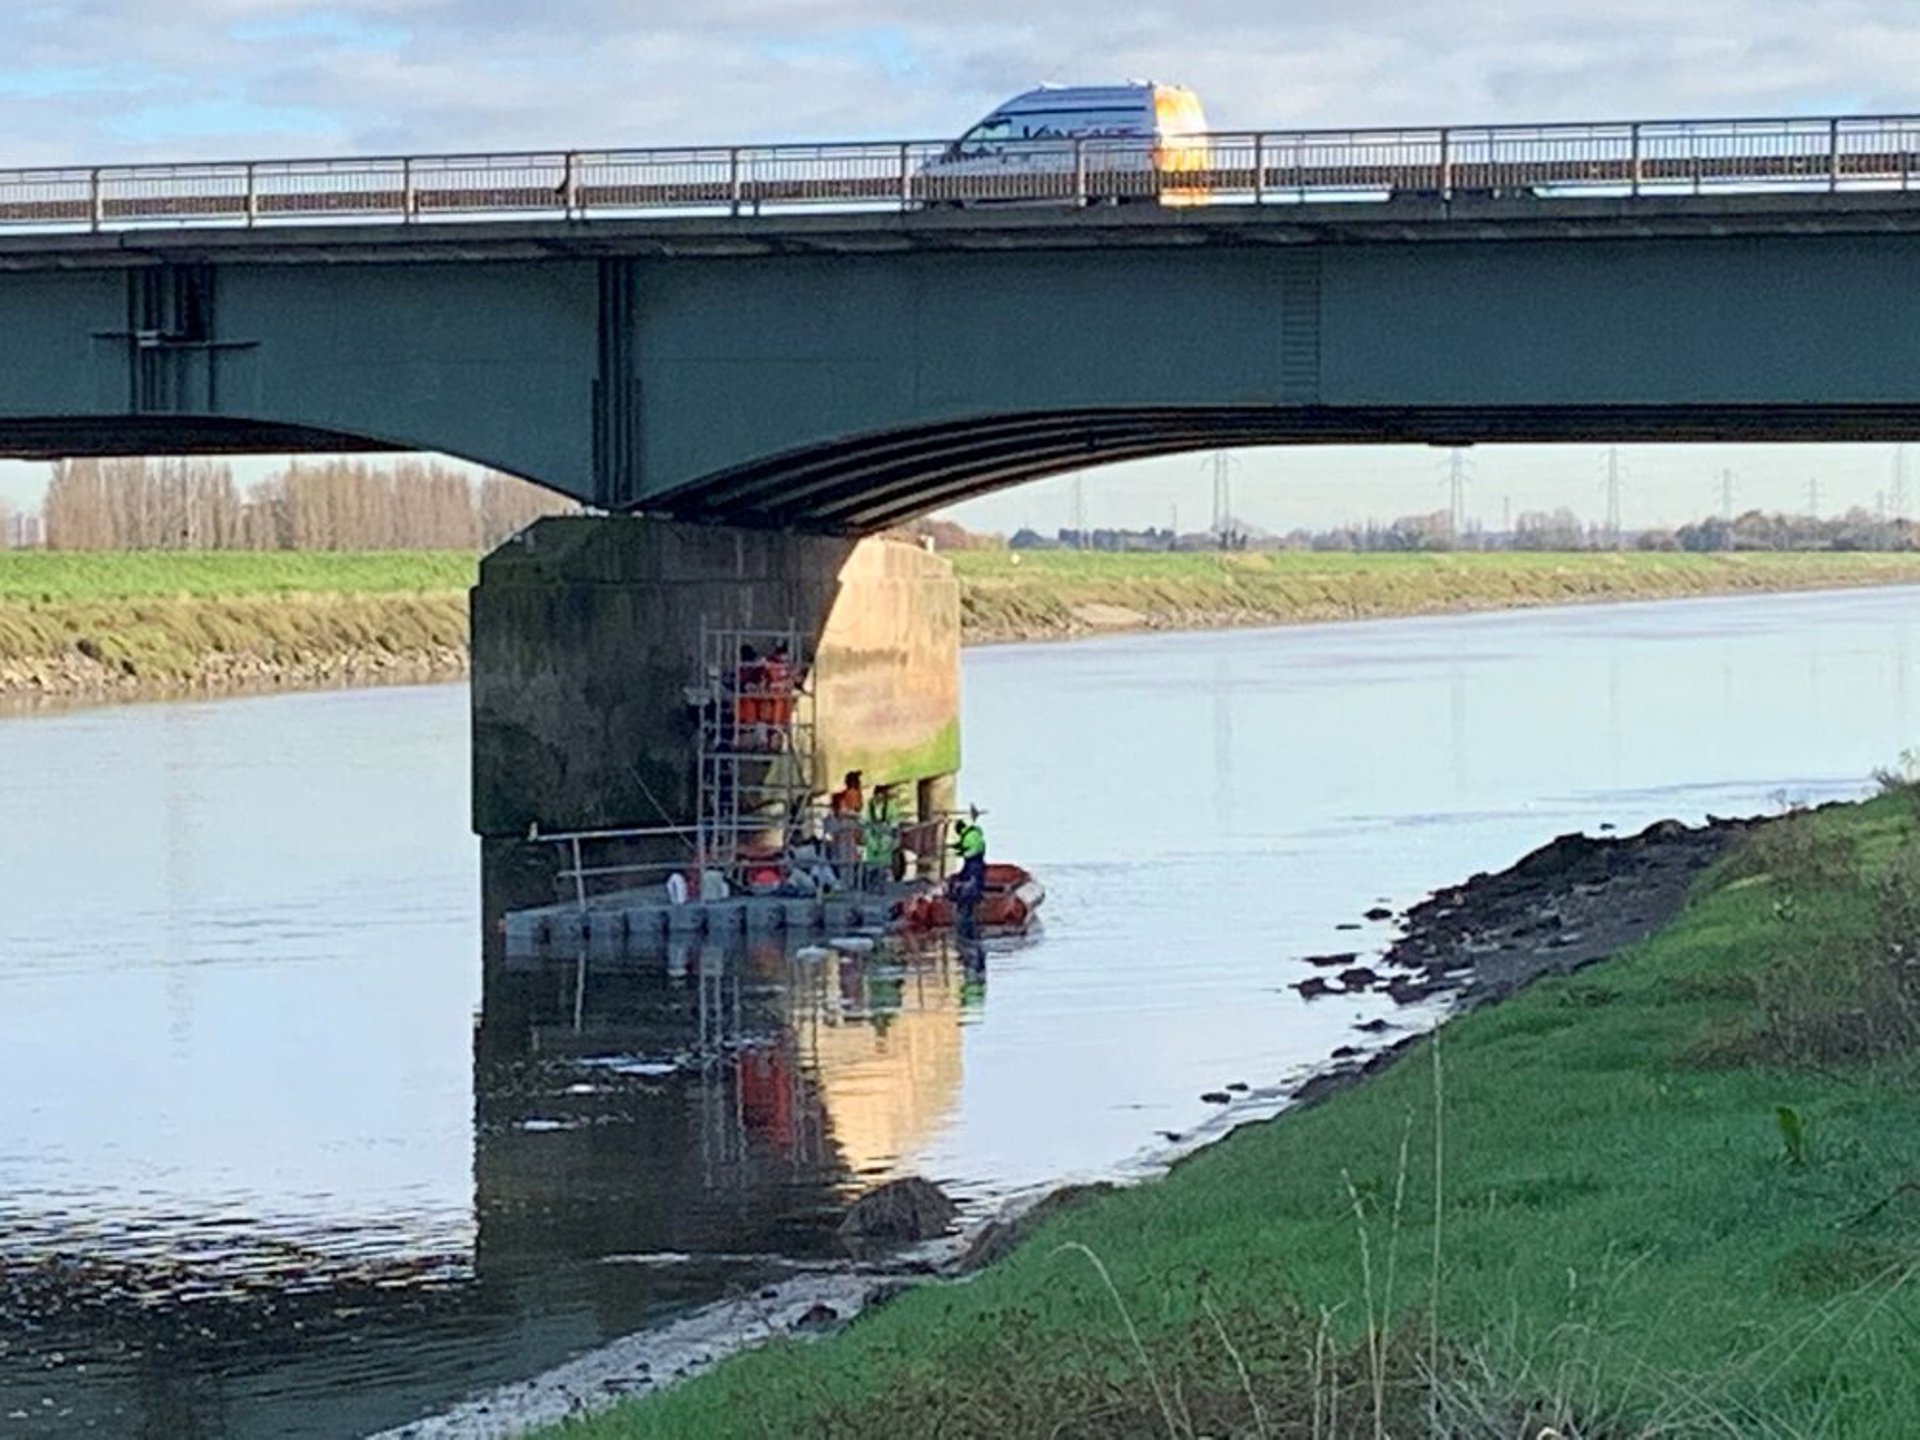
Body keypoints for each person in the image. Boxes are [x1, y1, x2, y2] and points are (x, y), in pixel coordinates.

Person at [949, 816, 987, 937]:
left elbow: (973, 849)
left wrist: (963, 853)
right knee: (972, 881)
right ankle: (971, 906)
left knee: (971, 883)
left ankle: (968, 910)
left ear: (959, 830)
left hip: (974, 862)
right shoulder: (972, 833)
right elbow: (966, 845)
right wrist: (957, 847)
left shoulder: (969, 836)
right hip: (976, 862)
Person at [862, 783, 901, 891]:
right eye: (877, 796)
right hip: (872, 837)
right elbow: (864, 820)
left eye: (882, 796)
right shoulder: (868, 805)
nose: (879, 798)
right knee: (871, 861)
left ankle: (884, 882)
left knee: (885, 860)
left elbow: (895, 822)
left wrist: (891, 831)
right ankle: (871, 883)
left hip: (885, 837)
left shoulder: (891, 806)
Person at [827, 770, 864, 869]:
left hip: (849, 835)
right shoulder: (847, 797)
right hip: (845, 834)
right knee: (845, 859)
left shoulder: (850, 796)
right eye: (857, 782)